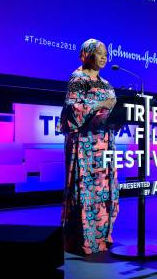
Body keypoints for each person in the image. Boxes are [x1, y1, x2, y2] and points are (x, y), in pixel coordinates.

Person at [60, 38, 118, 255]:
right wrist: (100, 105)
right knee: (85, 191)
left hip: (105, 145)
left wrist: (117, 115)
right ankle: (82, 241)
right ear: (87, 54)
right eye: (100, 52)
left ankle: (102, 236)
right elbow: (71, 110)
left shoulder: (106, 83)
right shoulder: (78, 78)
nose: (104, 57)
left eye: (106, 53)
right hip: (84, 145)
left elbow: (112, 110)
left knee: (103, 192)